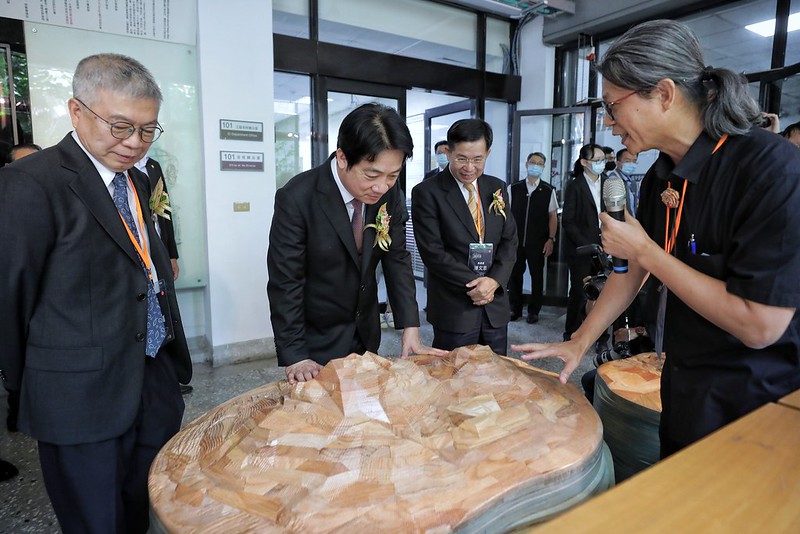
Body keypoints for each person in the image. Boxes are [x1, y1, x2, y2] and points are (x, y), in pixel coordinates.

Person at [514, 19, 800, 459]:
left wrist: (645, 250)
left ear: (664, 94)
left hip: (757, 406)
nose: (609, 125)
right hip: (684, 387)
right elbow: (632, 271)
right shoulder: (661, 176)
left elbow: (761, 325)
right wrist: (581, 339)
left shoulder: (770, 169)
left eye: (613, 107)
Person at [0, 53, 191, 532]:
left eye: (147, 130)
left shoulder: (138, 180)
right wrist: (33, 388)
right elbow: (11, 297)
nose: (134, 142)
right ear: (76, 111)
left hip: (151, 378)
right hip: (77, 395)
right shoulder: (31, 183)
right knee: (95, 522)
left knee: (140, 509)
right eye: (120, 126)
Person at [267, 103, 445, 385]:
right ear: (342, 157)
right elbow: (286, 281)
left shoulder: (388, 195)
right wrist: (295, 354)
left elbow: (397, 258)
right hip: (316, 340)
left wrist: (410, 327)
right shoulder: (298, 197)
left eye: (393, 175)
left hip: (365, 332)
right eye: (371, 175)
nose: (381, 187)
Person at [412, 119, 518, 355]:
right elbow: (433, 252)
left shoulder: (497, 187)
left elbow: (509, 240)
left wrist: (494, 281)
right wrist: (477, 285)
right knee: (453, 373)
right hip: (454, 306)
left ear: (487, 154)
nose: (469, 167)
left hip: (494, 303)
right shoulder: (427, 192)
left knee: (497, 371)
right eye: (462, 158)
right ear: (448, 152)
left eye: (477, 159)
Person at [561, 143, 609, 354]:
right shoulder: (575, 185)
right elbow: (568, 221)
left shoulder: (608, 183)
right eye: (596, 160)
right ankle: (571, 333)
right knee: (580, 292)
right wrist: (587, 244)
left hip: (606, 248)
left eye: (602, 160)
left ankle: (601, 337)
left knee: (605, 293)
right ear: (584, 162)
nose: (601, 163)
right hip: (581, 249)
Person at [508, 151, 558, 324]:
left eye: (539, 164)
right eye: (533, 162)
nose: (535, 166)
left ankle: (534, 311)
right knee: (515, 275)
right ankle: (514, 308)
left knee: (537, 276)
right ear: (526, 164)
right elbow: (505, 214)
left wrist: (551, 239)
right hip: (515, 241)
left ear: (543, 167)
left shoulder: (548, 190)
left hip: (538, 242)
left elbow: (553, 217)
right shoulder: (514, 188)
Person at [606, 148, 639, 216]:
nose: (632, 164)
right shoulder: (613, 180)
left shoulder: (631, 181)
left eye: (634, 161)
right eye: (627, 161)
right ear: (618, 163)